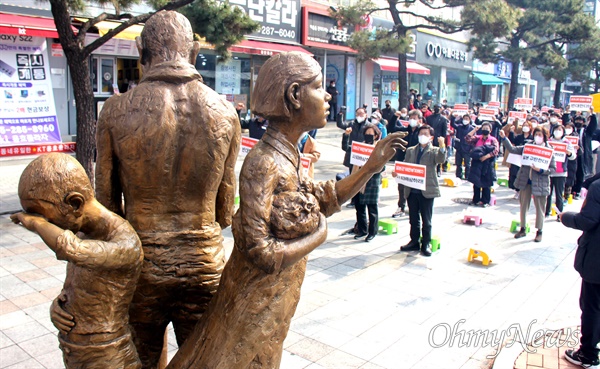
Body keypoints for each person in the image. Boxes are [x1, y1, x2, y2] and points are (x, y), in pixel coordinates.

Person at [168, 51, 406, 369]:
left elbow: (324, 198)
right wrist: (319, 234)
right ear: (294, 95)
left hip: (277, 302)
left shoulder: (292, 155)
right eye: (319, 87)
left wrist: (369, 168)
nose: (328, 96)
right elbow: (260, 251)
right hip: (251, 306)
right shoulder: (263, 163)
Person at [91, 11, 241, 368]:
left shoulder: (115, 111)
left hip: (142, 266)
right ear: (193, 51)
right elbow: (223, 213)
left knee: (139, 360)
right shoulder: (225, 113)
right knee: (201, 359)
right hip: (205, 265)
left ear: (141, 50)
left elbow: (107, 209)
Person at [11, 153, 143, 369]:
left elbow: (72, 249)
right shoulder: (82, 231)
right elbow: (81, 286)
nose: (44, 223)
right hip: (77, 352)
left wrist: (35, 224)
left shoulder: (125, 242)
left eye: (44, 216)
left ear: (74, 203)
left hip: (107, 357)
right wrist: (61, 304)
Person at [559, 174, 600, 369]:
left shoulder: (598, 187)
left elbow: (587, 221)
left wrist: (565, 217)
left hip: (596, 260)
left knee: (592, 306)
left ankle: (588, 354)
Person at [499, 127, 556, 242]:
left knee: (540, 207)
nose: (538, 137)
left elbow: (553, 169)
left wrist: (540, 170)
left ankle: (539, 231)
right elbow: (513, 149)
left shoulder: (549, 150)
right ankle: (523, 228)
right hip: (526, 181)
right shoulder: (528, 147)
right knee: (523, 205)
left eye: (540, 135)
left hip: (540, 182)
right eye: (536, 134)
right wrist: (504, 138)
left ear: (544, 136)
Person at [399, 125, 446, 256]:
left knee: (427, 220)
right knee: (413, 218)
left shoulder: (434, 151)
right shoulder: (411, 150)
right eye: (421, 133)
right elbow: (405, 166)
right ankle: (414, 241)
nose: (422, 136)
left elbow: (441, 159)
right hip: (412, 190)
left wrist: (442, 145)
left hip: (426, 190)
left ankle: (426, 243)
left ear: (431, 137)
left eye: (425, 134)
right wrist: (398, 173)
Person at [352, 123, 384, 242]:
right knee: (359, 207)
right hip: (359, 179)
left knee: (372, 208)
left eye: (371, 134)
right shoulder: (360, 147)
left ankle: (372, 232)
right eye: (366, 134)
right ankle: (362, 230)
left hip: (372, 180)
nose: (368, 136)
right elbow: (352, 157)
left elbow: (383, 167)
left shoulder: (379, 148)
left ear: (376, 135)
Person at [392, 109, 422, 218]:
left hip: (416, 163)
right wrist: (395, 117)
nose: (412, 120)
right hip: (402, 162)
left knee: (415, 187)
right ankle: (401, 206)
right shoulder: (405, 131)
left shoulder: (421, 132)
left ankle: (415, 208)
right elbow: (392, 128)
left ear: (419, 120)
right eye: (411, 118)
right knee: (402, 186)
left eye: (415, 118)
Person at [545, 124, 577, 219]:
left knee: (559, 195)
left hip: (561, 172)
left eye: (560, 129)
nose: (558, 131)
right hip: (550, 171)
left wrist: (569, 153)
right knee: (548, 194)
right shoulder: (549, 141)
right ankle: (547, 212)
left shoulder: (567, 143)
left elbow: (573, 156)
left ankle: (559, 214)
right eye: (556, 129)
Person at [465, 121, 499, 207]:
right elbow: (467, 138)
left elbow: (496, 150)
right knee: (476, 182)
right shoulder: (477, 138)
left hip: (487, 163)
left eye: (487, 129)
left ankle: (485, 201)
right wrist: (475, 129)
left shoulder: (493, 140)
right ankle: (475, 199)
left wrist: (486, 156)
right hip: (477, 162)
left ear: (490, 130)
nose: (485, 130)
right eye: (484, 128)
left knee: (486, 183)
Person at [507, 119, 534, 197]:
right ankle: (517, 190)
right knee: (516, 173)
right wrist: (511, 132)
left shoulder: (532, 137)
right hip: (518, 157)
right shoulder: (519, 137)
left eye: (527, 126)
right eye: (524, 125)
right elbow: (513, 142)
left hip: (528, 158)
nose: (525, 127)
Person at [452, 113, 475, 180]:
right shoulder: (459, 127)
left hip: (467, 148)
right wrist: (453, 117)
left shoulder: (472, 128)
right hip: (459, 148)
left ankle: (467, 176)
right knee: (458, 163)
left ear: (469, 120)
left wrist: (472, 148)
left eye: (467, 119)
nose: (465, 120)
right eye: (464, 119)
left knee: (467, 164)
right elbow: (453, 124)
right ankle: (458, 175)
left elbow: (474, 139)